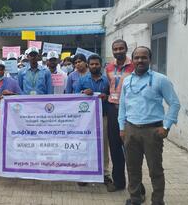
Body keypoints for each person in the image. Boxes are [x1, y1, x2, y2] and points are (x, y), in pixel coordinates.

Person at [119, 46, 180, 205]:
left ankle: (158, 201)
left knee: (155, 170)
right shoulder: (127, 81)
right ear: (132, 60)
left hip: (152, 131)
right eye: (137, 57)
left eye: (144, 57)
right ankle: (135, 199)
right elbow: (123, 106)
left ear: (150, 60)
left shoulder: (161, 79)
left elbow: (174, 103)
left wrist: (166, 126)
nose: (140, 60)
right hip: (131, 130)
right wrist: (122, 128)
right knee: (132, 169)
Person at [77, 54, 111, 186]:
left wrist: (106, 96)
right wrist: (83, 93)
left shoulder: (107, 81)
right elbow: (74, 96)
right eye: (92, 64)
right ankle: (85, 173)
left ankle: (105, 173)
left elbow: (113, 96)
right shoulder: (82, 80)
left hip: (103, 117)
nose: (94, 66)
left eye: (97, 64)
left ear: (101, 65)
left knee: (103, 145)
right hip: (86, 120)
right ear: (88, 65)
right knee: (85, 145)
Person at [105, 39, 134, 192]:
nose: (118, 51)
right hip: (112, 109)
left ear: (126, 49)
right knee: (115, 147)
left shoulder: (134, 65)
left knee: (131, 149)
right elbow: (109, 87)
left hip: (129, 111)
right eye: (115, 49)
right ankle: (119, 182)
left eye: (121, 48)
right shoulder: (108, 67)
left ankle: (136, 185)